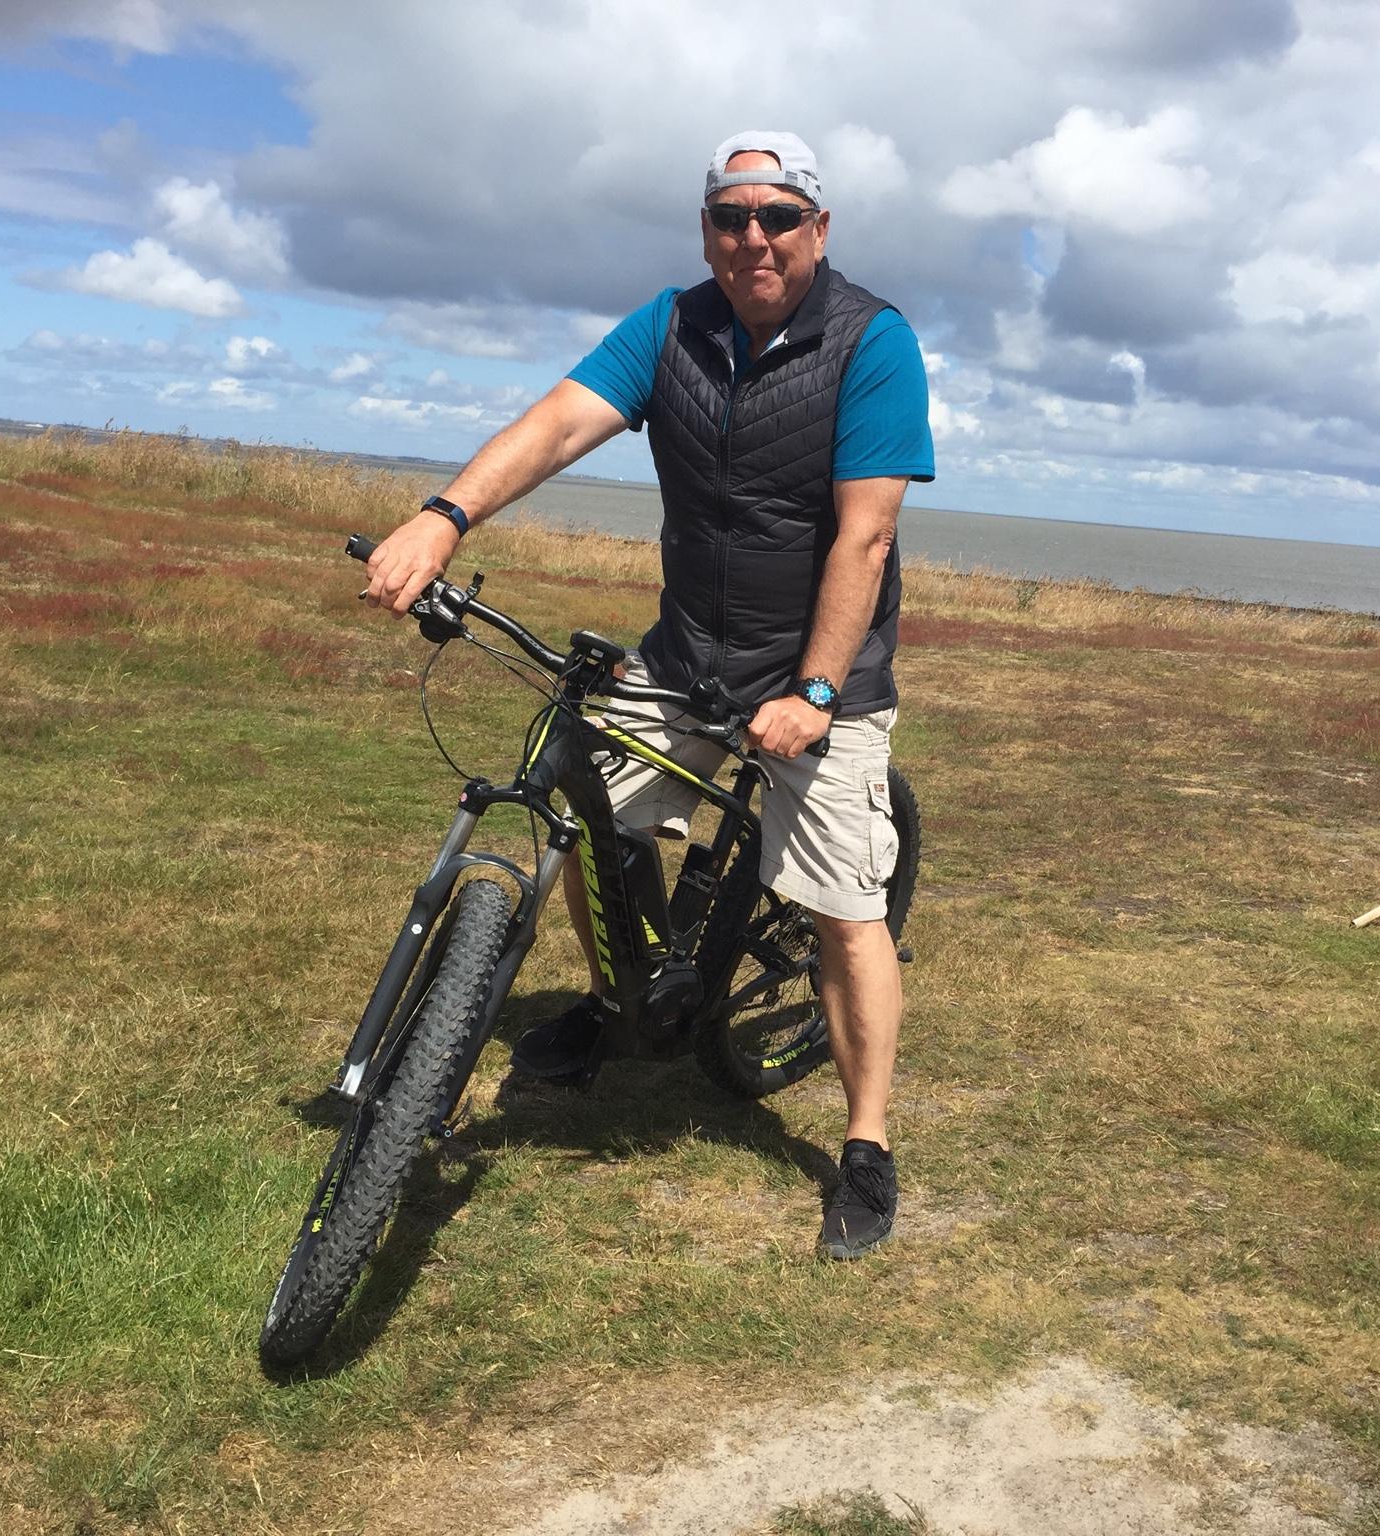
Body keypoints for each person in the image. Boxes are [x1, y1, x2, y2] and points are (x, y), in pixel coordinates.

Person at [359, 131, 934, 1259]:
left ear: (818, 229)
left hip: (820, 680)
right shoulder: (671, 326)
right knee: (587, 815)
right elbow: (558, 422)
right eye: (730, 217)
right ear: (706, 230)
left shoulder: (872, 342)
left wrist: (816, 690)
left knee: (841, 910)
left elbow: (863, 537)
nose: (753, 237)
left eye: (778, 217)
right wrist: (444, 516)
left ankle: (866, 1142)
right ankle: (622, 1000)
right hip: (685, 661)